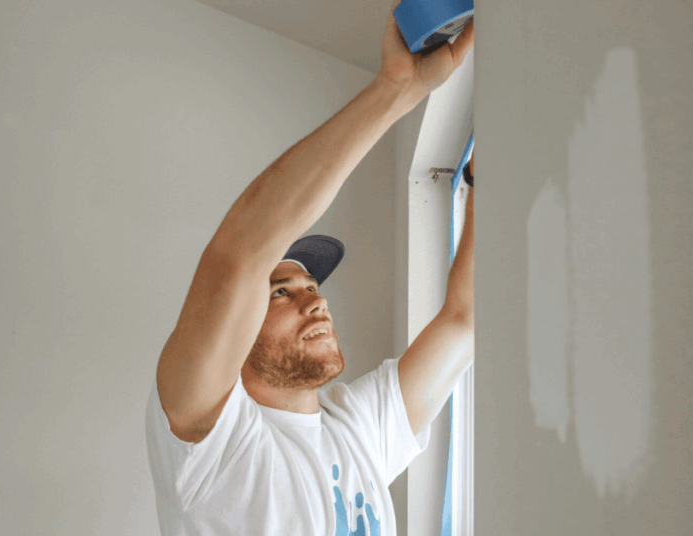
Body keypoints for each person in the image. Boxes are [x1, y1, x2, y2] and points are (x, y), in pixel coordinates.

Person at [144, 2, 475, 534]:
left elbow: (463, 322)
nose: (315, 300)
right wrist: (397, 90)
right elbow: (239, 255)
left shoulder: (358, 430)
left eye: (311, 285)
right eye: (280, 292)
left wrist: (486, 172)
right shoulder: (209, 444)